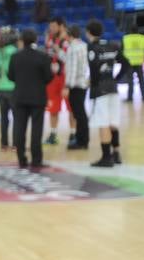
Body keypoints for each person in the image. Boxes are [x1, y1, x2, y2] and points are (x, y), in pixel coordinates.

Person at [7, 29, 54, 170]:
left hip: (19, 97)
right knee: (36, 130)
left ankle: (21, 159)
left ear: (22, 40)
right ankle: (36, 160)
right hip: (38, 98)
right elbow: (49, 77)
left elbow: (10, 76)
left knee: (19, 129)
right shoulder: (43, 56)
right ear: (35, 40)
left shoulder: (15, 57)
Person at [85, 20, 124, 168]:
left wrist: (93, 84)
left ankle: (106, 158)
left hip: (100, 90)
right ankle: (117, 154)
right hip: (112, 88)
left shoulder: (92, 47)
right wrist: (115, 79)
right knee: (113, 122)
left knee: (103, 123)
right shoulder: (112, 45)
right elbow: (125, 63)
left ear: (89, 32)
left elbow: (94, 69)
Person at [63, 25, 91, 151]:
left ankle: (81, 141)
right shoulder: (83, 45)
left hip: (75, 86)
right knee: (80, 113)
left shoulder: (72, 48)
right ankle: (82, 139)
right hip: (83, 84)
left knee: (79, 114)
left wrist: (67, 86)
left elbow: (72, 69)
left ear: (70, 34)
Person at [43, 18, 70, 146]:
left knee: (71, 108)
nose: (51, 29)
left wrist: (57, 49)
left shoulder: (68, 41)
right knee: (53, 108)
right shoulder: (48, 40)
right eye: (50, 27)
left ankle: (73, 134)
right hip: (52, 80)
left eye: (54, 26)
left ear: (61, 26)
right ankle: (53, 134)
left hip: (65, 78)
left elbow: (69, 60)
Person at [122, 26, 144, 102]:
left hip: (129, 62)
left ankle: (130, 97)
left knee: (130, 81)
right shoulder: (143, 38)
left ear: (130, 31)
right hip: (139, 61)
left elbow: (122, 49)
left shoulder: (125, 38)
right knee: (141, 80)